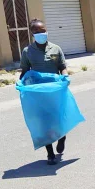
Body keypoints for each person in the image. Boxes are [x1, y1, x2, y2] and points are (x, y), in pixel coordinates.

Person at [20, 18, 69, 164]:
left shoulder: (56, 48)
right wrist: (20, 83)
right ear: (32, 34)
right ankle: (50, 154)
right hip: (38, 93)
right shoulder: (27, 51)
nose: (41, 34)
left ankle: (62, 137)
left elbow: (62, 66)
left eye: (43, 31)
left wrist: (65, 77)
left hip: (55, 91)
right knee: (44, 122)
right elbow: (24, 71)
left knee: (58, 119)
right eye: (37, 32)